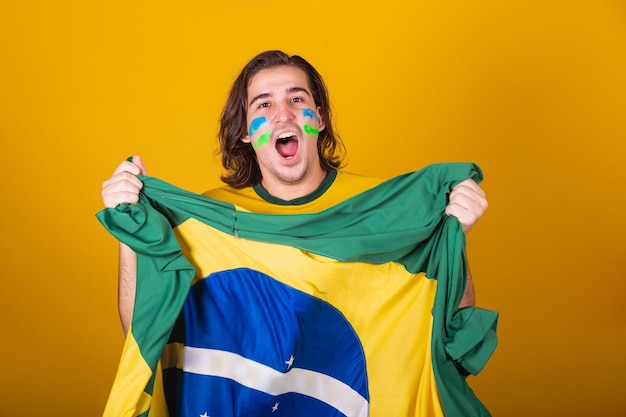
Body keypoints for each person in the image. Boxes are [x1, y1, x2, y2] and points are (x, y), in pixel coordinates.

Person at [101, 50, 494, 417]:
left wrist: (452, 240)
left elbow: (449, 335)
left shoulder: (380, 210)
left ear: (318, 119)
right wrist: (132, 233)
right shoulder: (206, 223)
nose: (282, 115)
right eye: (264, 104)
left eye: (296, 99)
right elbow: (143, 331)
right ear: (245, 132)